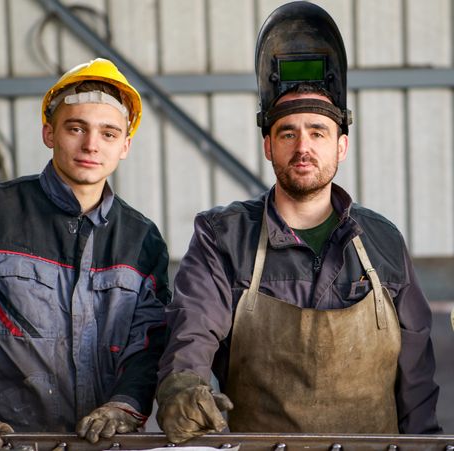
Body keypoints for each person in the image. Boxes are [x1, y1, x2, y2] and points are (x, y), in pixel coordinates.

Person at [155, 1, 441, 443]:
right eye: (287, 133)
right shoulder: (223, 238)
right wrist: (183, 385)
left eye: (317, 132)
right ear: (268, 146)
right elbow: (192, 330)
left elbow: (416, 382)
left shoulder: (383, 242)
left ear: (341, 146)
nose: (303, 147)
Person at [0, 58, 170, 450]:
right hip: (1, 444)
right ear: (49, 132)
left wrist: (126, 405)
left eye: (108, 134)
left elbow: (151, 343)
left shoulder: (142, 241)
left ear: (124, 145)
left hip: (103, 446)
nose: (91, 145)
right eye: (76, 128)